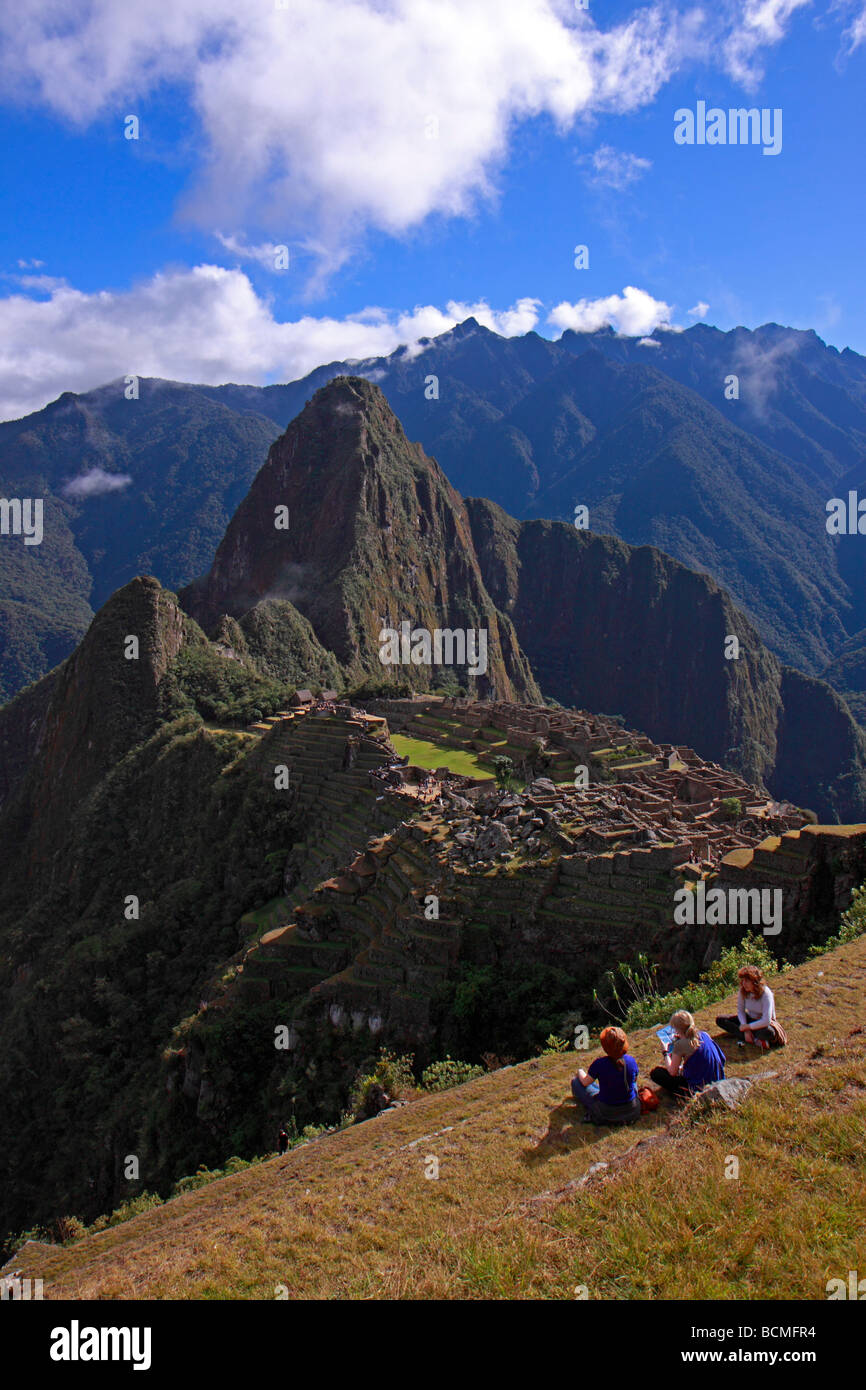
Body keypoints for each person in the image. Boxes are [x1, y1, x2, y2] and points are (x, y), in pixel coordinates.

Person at [571, 1026, 641, 1125]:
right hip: (632, 1110)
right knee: (632, 1083)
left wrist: (580, 1071)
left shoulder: (599, 1064)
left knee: (576, 1082)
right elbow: (634, 1080)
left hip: (607, 1112)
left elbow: (585, 1082)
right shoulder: (631, 1061)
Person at [650, 1010, 726, 1098]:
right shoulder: (704, 1035)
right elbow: (722, 1058)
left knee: (656, 1073)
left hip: (699, 1090)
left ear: (677, 1029)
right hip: (717, 1080)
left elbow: (672, 1072)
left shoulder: (681, 1044)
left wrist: (665, 1052)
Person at [716, 965, 785, 1049]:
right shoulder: (743, 992)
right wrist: (746, 1028)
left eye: (747, 981)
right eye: (743, 980)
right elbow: (741, 1011)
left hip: (763, 1024)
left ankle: (750, 1037)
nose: (744, 984)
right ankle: (755, 1039)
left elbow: (766, 1020)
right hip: (749, 1020)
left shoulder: (766, 994)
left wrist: (748, 1027)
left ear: (755, 981)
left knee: (768, 1033)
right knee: (721, 1020)